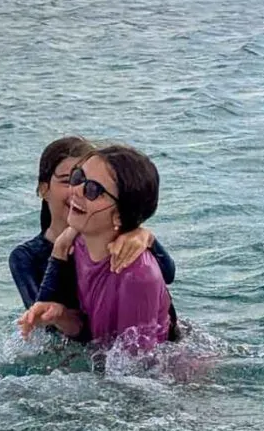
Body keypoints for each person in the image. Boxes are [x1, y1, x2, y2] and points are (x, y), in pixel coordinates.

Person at [19, 143, 178, 352]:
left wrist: (146, 235)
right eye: (77, 177)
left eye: (93, 190)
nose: (75, 190)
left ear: (119, 215)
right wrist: (61, 317)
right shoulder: (77, 245)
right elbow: (93, 332)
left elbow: (138, 371)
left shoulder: (137, 275)